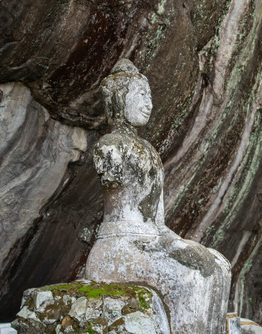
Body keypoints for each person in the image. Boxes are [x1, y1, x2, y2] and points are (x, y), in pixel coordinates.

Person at [85, 59, 231, 333]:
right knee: (187, 277)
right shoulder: (110, 146)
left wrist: (180, 245)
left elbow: (157, 223)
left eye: (149, 95)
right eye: (140, 95)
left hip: (148, 240)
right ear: (118, 98)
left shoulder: (149, 151)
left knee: (219, 265)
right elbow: (127, 217)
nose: (148, 103)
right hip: (118, 246)